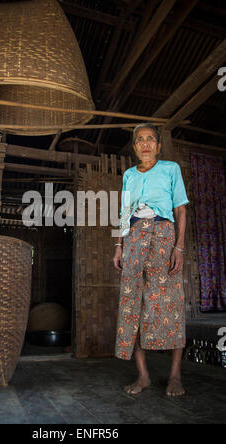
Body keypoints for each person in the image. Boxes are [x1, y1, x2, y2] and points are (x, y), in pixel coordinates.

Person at [113, 123, 189, 397]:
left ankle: (175, 377)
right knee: (133, 304)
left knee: (171, 303)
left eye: (151, 139)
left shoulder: (170, 169)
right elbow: (123, 212)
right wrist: (118, 246)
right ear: (134, 148)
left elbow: (180, 210)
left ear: (158, 146)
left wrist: (178, 248)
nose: (145, 144)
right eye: (140, 140)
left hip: (163, 236)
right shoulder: (129, 175)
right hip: (133, 238)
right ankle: (143, 376)